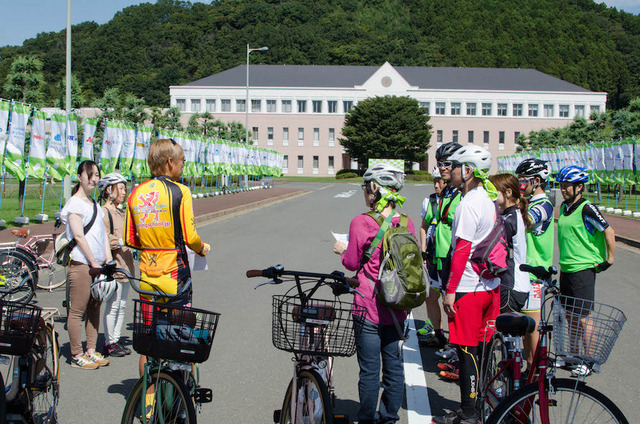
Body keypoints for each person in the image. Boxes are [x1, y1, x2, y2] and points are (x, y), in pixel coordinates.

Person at [333, 163, 413, 424]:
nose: (365, 193)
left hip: (368, 306)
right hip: (397, 306)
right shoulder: (407, 223)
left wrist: (341, 249)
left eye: (366, 187)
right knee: (393, 368)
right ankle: (389, 417)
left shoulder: (361, 222)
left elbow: (352, 262)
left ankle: (366, 418)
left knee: (369, 371)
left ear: (375, 189)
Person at [432, 146, 500, 424]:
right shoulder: (490, 199)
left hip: (469, 288)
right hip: (490, 285)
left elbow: (461, 250)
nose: (452, 172)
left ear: (468, 171)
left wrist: (449, 290)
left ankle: (469, 413)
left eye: (456, 167)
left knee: (466, 351)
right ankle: (482, 404)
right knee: (484, 349)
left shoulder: (469, 202)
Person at [555, 165, 615, 376]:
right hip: (567, 268)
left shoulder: (587, 208)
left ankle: (589, 361)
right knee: (571, 315)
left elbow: (608, 231)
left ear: (579, 187)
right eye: (561, 185)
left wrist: (610, 259)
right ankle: (573, 356)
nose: (563, 189)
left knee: (584, 317)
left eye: (567, 186)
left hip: (583, 269)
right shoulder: (564, 207)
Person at [61, 160, 113, 370]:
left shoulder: (95, 205)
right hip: (82, 264)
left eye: (97, 175)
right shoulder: (74, 204)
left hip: (98, 265)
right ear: (80, 177)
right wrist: (93, 262)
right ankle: (76, 354)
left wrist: (108, 260)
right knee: (77, 310)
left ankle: (91, 350)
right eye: (90, 174)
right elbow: (79, 237)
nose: (94, 179)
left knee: (94, 307)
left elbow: (103, 236)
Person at [516, 158, 554, 369]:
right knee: (524, 326)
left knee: (533, 326)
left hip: (535, 274)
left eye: (523, 180)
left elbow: (525, 221)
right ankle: (527, 369)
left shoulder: (544, 204)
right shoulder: (532, 202)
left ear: (536, 181)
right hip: (523, 272)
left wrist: (517, 201)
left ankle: (533, 371)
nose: (520, 184)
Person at [428, 142, 464, 351]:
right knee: (445, 300)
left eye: (447, 164)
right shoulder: (447, 191)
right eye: (440, 164)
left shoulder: (463, 193)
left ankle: (459, 344)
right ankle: (452, 342)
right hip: (441, 254)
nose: (442, 168)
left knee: (454, 302)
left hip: (455, 255)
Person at [98, 172, 135, 358]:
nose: (124, 191)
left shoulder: (122, 211)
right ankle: (109, 342)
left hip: (126, 264)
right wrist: (121, 241)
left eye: (124, 188)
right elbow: (104, 238)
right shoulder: (104, 212)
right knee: (113, 305)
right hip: (116, 265)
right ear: (109, 190)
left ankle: (116, 338)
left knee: (122, 305)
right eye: (120, 188)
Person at [490, 174, 532, 313]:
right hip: (515, 283)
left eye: (494, 191)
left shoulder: (509, 219)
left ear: (508, 193)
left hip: (510, 284)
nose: (491, 196)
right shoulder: (511, 215)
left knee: (503, 332)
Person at [418, 167, 447, 348]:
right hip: (433, 256)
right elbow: (423, 226)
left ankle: (455, 342)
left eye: (440, 181)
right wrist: (423, 250)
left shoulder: (457, 200)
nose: (436, 185)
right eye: (434, 181)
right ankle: (439, 334)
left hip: (447, 258)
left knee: (448, 300)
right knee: (430, 296)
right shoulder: (429, 201)